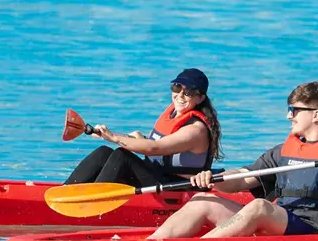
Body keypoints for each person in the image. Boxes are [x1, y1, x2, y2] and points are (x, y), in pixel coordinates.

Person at [147, 81, 318, 239]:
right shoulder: (282, 151)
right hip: (280, 223)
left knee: (259, 207)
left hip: (314, 233)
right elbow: (243, 178)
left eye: (294, 111)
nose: (289, 116)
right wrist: (212, 179)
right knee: (204, 199)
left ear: (316, 115)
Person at [64, 68, 222, 186]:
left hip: (173, 188)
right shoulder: (174, 114)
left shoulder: (195, 130)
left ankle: (92, 202)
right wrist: (112, 135)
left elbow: (155, 148)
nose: (180, 95)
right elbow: (155, 146)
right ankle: (66, 190)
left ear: (200, 98)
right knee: (104, 152)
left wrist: (113, 137)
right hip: (155, 176)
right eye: (177, 88)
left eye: (188, 92)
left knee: (122, 156)